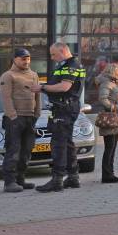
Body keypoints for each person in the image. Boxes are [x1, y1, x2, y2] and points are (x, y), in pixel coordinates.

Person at [35, 43, 87, 193]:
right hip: (64, 107)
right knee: (68, 142)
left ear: (63, 50)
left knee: (58, 144)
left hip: (65, 108)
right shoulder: (67, 65)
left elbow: (64, 87)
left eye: (53, 54)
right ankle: (73, 177)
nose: (52, 58)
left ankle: (57, 180)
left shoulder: (72, 65)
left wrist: (42, 88)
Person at [0, 48, 40, 192]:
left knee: (26, 151)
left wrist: (37, 114)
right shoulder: (8, 76)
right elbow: (6, 98)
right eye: (23, 58)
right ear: (15, 59)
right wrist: (13, 116)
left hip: (30, 118)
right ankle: (9, 182)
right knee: (13, 151)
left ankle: (20, 180)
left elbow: (37, 96)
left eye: (28, 58)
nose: (26, 61)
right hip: (14, 120)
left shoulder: (34, 75)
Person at [94, 63, 118, 184]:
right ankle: (106, 175)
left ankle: (110, 173)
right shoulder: (106, 83)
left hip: (116, 119)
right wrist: (114, 107)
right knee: (109, 148)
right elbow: (103, 99)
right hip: (110, 118)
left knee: (112, 148)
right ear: (113, 71)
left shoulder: (115, 82)